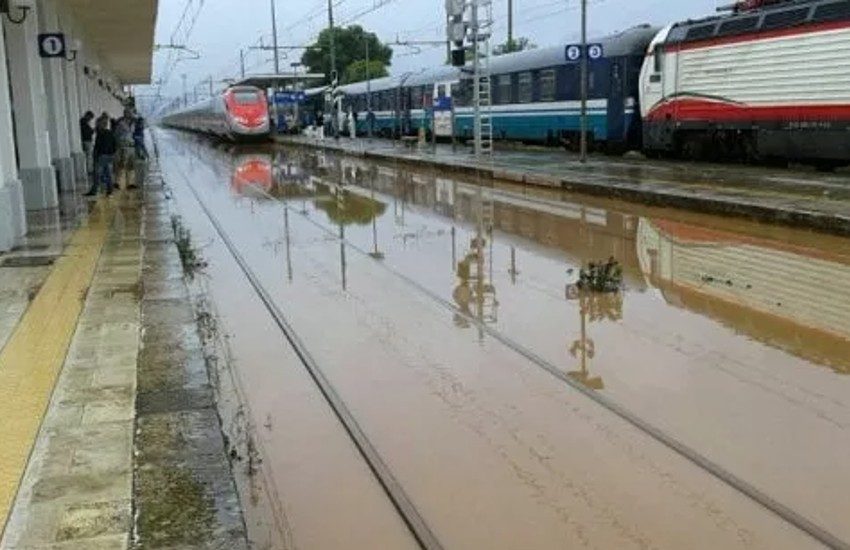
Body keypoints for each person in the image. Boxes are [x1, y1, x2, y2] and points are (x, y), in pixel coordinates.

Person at [85, 118, 117, 197]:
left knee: (97, 173)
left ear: (101, 124)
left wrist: (96, 155)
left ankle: (94, 190)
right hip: (109, 155)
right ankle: (110, 190)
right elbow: (114, 144)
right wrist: (113, 153)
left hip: (101, 156)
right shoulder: (110, 132)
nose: (96, 125)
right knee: (108, 173)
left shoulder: (101, 133)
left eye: (97, 123)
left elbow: (98, 146)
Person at [114, 109, 136, 189]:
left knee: (131, 166)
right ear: (125, 114)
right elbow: (116, 135)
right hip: (123, 147)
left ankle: (130, 183)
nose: (131, 115)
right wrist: (118, 145)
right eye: (129, 113)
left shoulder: (133, 124)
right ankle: (117, 182)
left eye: (131, 113)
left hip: (131, 147)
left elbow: (132, 134)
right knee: (122, 165)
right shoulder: (121, 124)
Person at [79, 111, 95, 183]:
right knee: (89, 156)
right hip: (86, 141)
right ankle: (89, 170)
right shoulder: (83, 122)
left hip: (86, 141)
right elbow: (87, 132)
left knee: (89, 156)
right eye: (90, 118)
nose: (90, 120)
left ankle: (89, 169)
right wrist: (92, 130)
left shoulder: (84, 122)